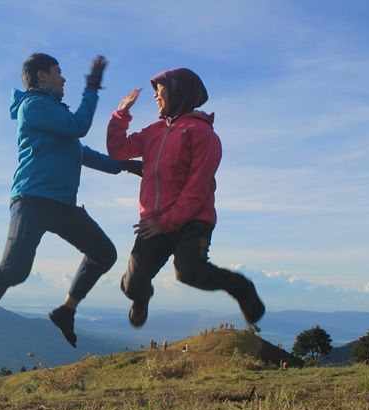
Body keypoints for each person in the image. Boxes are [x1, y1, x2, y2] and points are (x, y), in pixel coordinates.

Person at [0, 53, 143, 380]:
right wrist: (92, 87)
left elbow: (80, 152)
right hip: (32, 200)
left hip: (61, 205)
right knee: (15, 269)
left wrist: (124, 166)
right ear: (41, 78)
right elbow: (79, 127)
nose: (64, 79)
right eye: (58, 73)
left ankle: (65, 310)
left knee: (104, 253)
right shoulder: (33, 107)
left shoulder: (53, 114)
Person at [107, 67, 265, 328]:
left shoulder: (203, 134)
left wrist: (167, 222)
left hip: (192, 219)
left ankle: (240, 287)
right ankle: (142, 297)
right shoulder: (153, 132)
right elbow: (118, 150)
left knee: (189, 272)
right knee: (132, 285)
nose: (156, 98)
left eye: (161, 92)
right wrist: (121, 113)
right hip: (154, 219)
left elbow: (198, 186)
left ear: (178, 92)